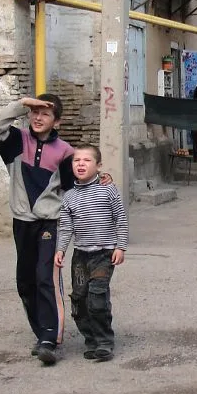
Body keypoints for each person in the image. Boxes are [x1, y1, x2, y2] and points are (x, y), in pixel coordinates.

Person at [0, 93, 74, 366]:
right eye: (35, 112)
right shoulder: (17, 141)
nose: (38, 118)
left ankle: (50, 337)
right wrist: (23, 104)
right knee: (25, 281)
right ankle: (41, 334)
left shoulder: (65, 151)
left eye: (45, 114)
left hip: (49, 222)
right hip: (22, 221)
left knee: (45, 276)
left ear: (57, 122)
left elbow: (72, 188)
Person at [54, 145, 128, 362]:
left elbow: (120, 218)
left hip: (104, 254)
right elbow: (66, 227)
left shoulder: (108, 189)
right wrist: (60, 249)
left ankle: (104, 341)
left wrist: (120, 247)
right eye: (76, 160)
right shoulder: (69, 196)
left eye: (87, 160)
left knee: (97, 297)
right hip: (80, 256)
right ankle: (91, 340)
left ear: (98, 166)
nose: (81, 164)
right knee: (79, 300)